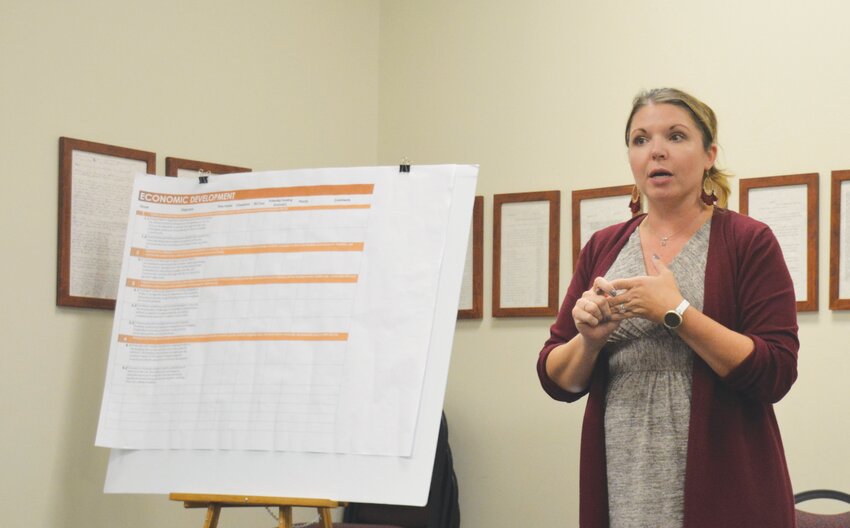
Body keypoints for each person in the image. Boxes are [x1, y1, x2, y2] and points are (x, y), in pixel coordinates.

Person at [537, 88, 799, 528]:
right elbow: (556, 378)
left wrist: (675, 312)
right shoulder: (603, 247)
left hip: (724, 480)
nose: (656, 151)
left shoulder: (748, 241)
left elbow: (776, 371)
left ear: (709, 153)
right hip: (623, 477)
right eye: (640, 140)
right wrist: (589, 341)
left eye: (676, 136)